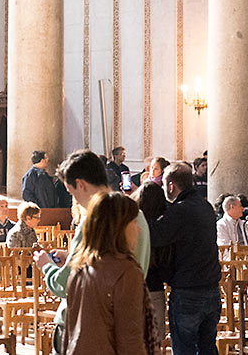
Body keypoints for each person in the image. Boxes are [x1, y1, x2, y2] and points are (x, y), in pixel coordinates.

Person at [34, 150, 150, 350]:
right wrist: (71, 256)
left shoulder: (94, 220)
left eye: (72, 193)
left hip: (86, 329)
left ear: (81, 184)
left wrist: (46, 266)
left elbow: (66, 284)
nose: (76, 201)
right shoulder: (137, 215)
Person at [63, 191, 158, 355]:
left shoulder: (80, 269)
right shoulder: (126, 272)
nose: (139, 230)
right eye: (134, 222)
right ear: (119, 227)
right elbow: (130, 339)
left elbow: (69, 334)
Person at [148, 162, 222, 355]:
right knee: (207, 348)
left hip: (188, 292)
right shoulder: (205, 206)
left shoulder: (181, 210)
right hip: (212, 289)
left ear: (171, 185)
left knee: (184, 349)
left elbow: (155, 236)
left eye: (164, 184)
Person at [137, 181, 171, 346]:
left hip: (133, 284)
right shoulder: (164, 224)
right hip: (156, 285)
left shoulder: (134, 223)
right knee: (155, 339)